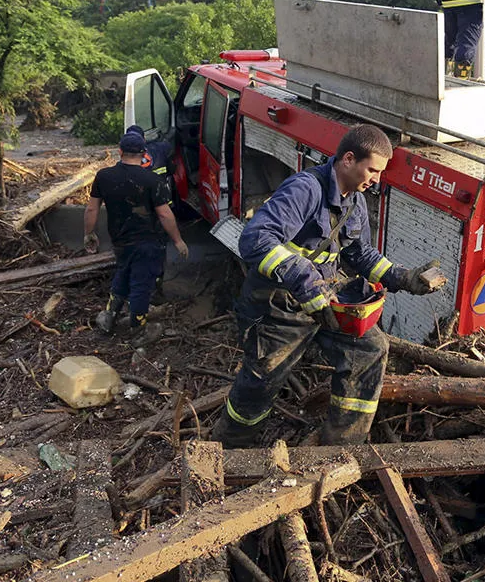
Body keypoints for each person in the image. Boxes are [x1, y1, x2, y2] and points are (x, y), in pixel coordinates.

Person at [213, 125, 446, 447]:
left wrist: (401, 277)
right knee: (261, 383)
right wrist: (305, 281)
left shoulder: (355, 202)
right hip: (277, 305)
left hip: (324, 301)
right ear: (349, 159)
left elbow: (360, 253)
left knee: (370, 348)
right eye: (373, 169)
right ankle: (230, 448)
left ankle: (342, 444)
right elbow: (255, 239)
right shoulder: (305, 189)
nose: (377, 179)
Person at [84, 131, 189, 343]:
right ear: (143, 154)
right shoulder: (152, 180)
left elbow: (91, 209)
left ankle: (110, 316)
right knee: (141, 283)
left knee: (123, 273)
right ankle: (138, 329)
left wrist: (89, 233)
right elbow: (164, 213)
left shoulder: (103, 176)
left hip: (120, 240)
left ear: (120, 151)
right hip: (147, 241)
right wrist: (178, 240)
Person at [125, 124, 174, 301]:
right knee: (158, 249)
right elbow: (171, 148)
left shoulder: (122, 164)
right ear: (143, 139)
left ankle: (134, 287)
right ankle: (156, 289)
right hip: (161, 207)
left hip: (137, 213)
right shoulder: (158, 149)